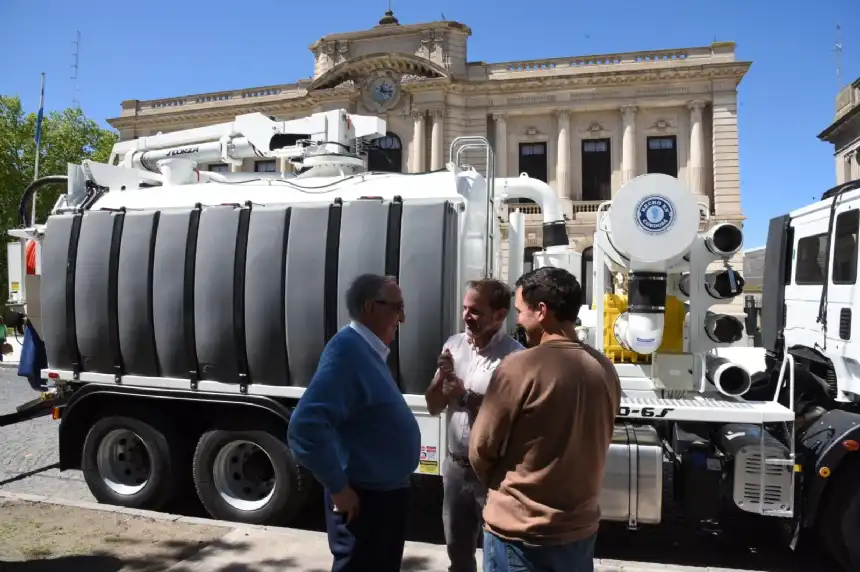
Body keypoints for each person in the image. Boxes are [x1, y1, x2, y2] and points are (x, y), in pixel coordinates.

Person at [469, 267, 622, 572]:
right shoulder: (604, 369)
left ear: (541, 311)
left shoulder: (520, 366)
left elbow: (481, 449)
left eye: (520, 311)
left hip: (520, 536)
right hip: (578, 532)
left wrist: (509, 491)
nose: (517, 321)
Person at [287, 273, 421, 572]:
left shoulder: (366, 351)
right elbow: (305, 426)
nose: (403, 318)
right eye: (398, 307)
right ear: (371, 307)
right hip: (364, 501)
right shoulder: (347, 352)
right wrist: (338, 488)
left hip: (383, 496)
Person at [425, 279, 524, 572]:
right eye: (465, 308)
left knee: (501, 555)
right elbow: (433, 406)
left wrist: (464, 396)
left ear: (499, 315)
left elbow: (509, 417)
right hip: (455, 469)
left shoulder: (515, 356)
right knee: (458, 553)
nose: (467, 316)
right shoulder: (454, 345)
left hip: (493, 473)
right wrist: (442, 378)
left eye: (476, 311)